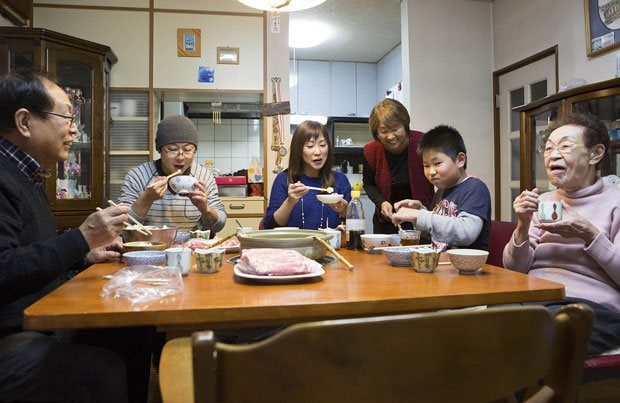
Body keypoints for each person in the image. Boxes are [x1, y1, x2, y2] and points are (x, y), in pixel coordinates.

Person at [0, 69, 153, 402]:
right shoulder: (4, 177)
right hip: (14, 333)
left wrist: (85, 255)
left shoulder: (26, 175)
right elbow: (5, 269)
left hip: (40, 318)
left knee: (135, 329)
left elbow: (30, 250)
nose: (74, 128)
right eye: (66, 117)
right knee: (101, 371)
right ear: (25, 121)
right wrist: (82, 238)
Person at [504, 112, 620, 356]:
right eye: (547, 148)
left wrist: (589, 234)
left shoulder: (615, 202)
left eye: (565, 146)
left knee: (527, 341)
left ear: (595, 153)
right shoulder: (545, 201)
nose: (553, 155)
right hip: (534, 298)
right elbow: (515, 270)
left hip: (590, 309)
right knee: (474, 327)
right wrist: (523, 225)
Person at [118, 114, 226, 233]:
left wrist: (205, 209)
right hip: (149, 247)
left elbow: (218, 226)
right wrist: (146, 199)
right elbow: (121, 226)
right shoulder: (138, 176)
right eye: (173, 149)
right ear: (159, 150)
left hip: (191, 248)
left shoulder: (203, 176)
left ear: (195, 150)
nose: (180, 157)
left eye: (187, 150)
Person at [392, 124, 491, 251]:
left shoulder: (475, 188)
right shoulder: (441, 191)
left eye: (437, 163)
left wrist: (420, 215)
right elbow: (434, 233)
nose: (431, 172)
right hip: (441, 266)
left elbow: (466, 232)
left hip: (466, 268)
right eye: (426, 165)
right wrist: (419, 210)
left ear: (460, 160)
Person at [363, 98, 435, 235]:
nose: (390, 136)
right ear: (376, 133)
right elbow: (368, 184)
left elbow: (438, 173)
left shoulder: (423, 143)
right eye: (384, 131)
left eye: (395, 129)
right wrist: (381, 203)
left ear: (405, 125)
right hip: (387, 220)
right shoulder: (371, 151)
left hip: (420, 216)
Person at [263, 120, 351, 229]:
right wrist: (290, 202)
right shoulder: (284, 179)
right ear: (298, 150)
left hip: (330, 245)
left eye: (323, 145)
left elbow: (353, 226)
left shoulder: (340, 180)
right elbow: (269, 225)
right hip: (294, 245)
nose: (318, 152)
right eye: (310, 146)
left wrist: (344, 212)